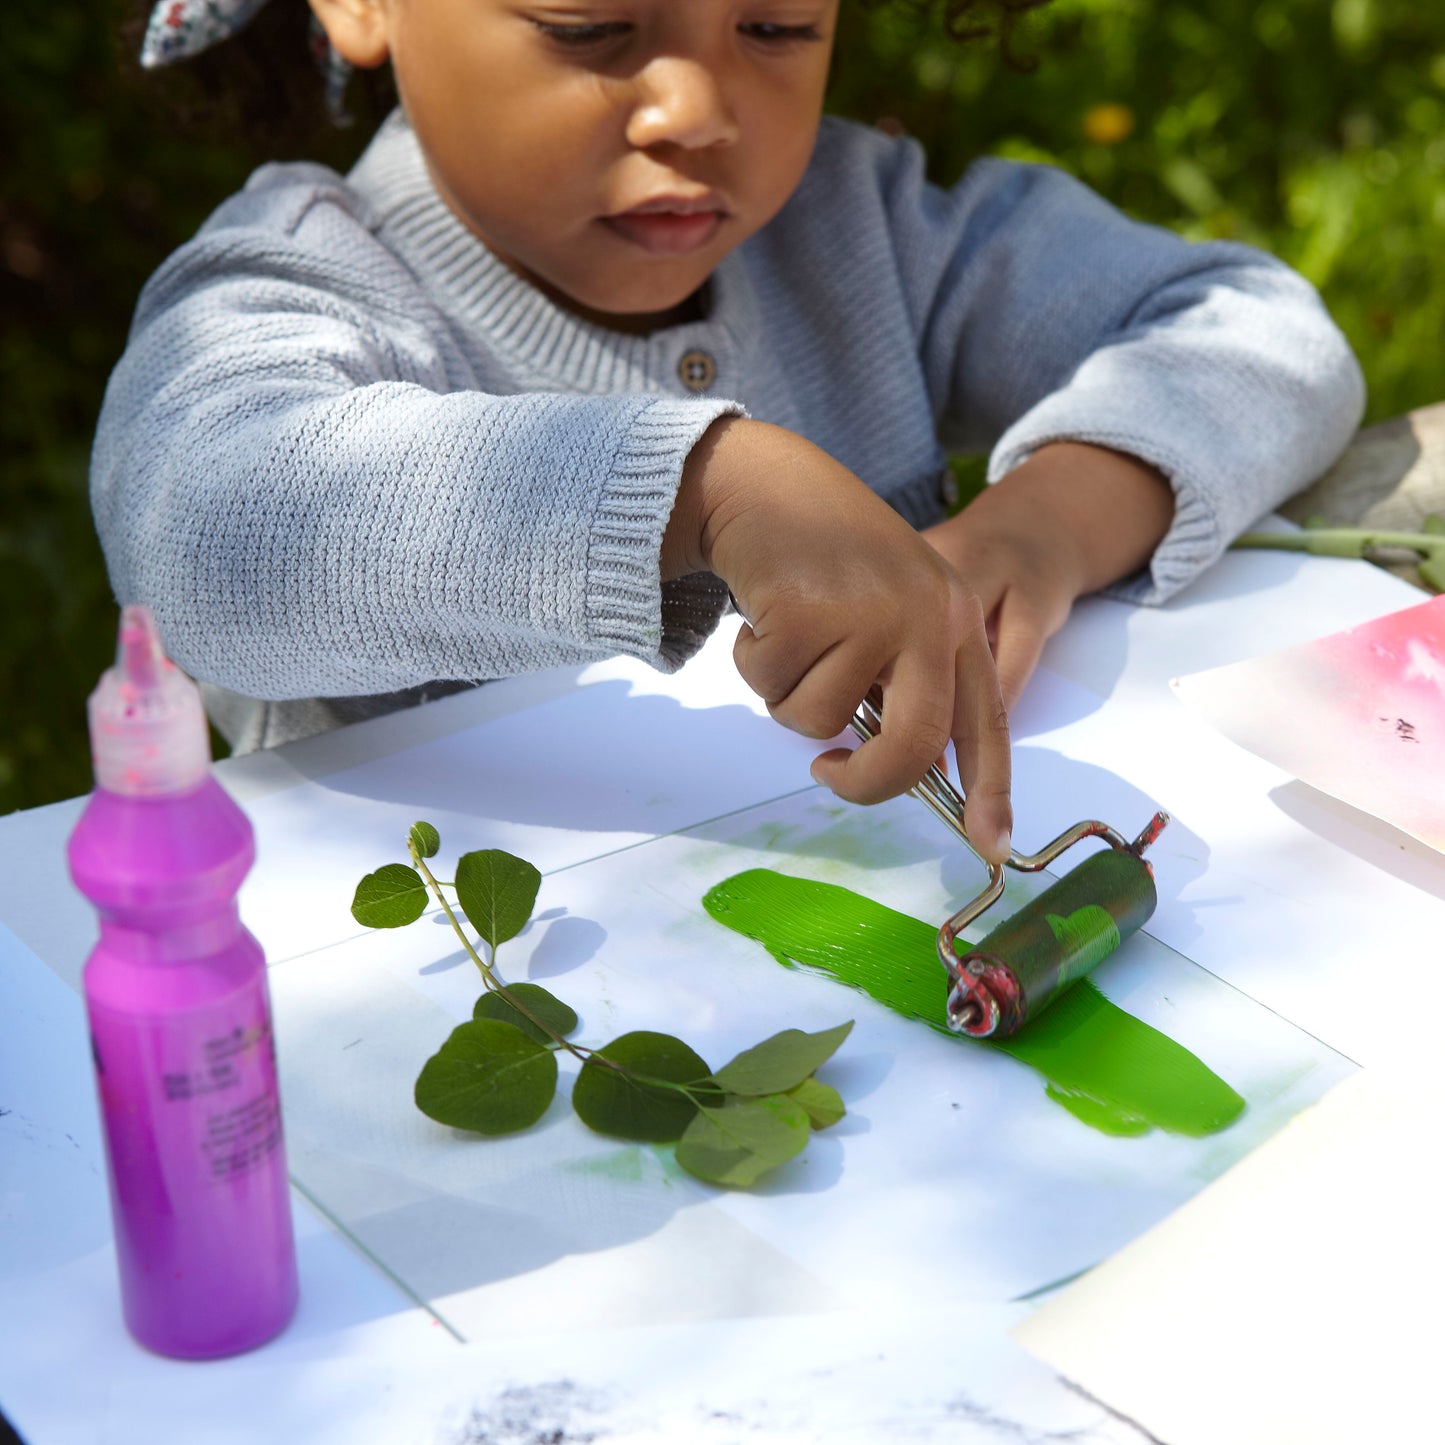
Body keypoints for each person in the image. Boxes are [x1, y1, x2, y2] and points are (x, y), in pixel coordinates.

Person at [92, 0, 1366, 867]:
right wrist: (698, 485)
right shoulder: (303, 283)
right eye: (594, 25)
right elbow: (202, 532)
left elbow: (1251, 326)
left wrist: (1045, 521)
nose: (694, 107)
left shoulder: (859, 230)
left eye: (772, 25)